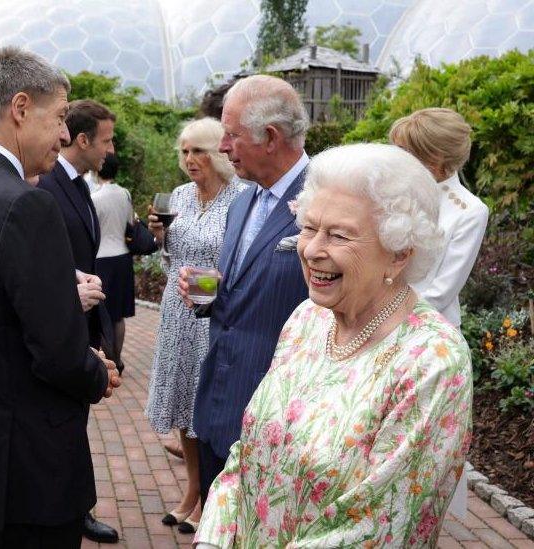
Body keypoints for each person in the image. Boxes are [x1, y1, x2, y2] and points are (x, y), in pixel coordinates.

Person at [193, 143, 472, 548]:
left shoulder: (433, 360)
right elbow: (247, 453)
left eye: (338, 235)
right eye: (308, 227)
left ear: (398, 254)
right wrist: (213, 540)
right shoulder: (307, 318)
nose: (311, 250)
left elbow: (379, 526)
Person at [0, 46, 121, 549]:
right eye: (57, 117)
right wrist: (98, 370)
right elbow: (56, 353)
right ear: (20, 107)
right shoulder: (23, 203)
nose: (61, 133)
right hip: (32, 464)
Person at [181, 75, 312, 506]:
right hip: (219, 404)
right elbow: (244, 292)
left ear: (270, 137)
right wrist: (209, 293)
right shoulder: (242, 201)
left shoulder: (325, 200)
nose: (222, 147)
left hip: (280, 419)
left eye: (232, 134)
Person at [144, 118, 245, 533]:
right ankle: (191, 492)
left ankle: (210, 497)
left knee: (208, 407)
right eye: (184, 151)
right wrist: (161, 238)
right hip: (177, 311)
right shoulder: (181, 196)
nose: (189, 160)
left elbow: (237, 263)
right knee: (184, 407)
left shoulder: (240, 197)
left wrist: (207, 286)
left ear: (219, 153)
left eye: (198, 150)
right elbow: (172, 259)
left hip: (214, 313)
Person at [36, 98, 120, 544]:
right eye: (105, 140)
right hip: (61, 322)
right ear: (82, 139)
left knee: (75, 424)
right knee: (62, 426)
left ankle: (75, 507)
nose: (109, 150)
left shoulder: (80, 185)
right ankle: (69, 510)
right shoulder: (46, 184)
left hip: (83, 320)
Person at [389, 108, 489, 328]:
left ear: (435, 157)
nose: (397, 158)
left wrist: (386, 319)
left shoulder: (470, 211)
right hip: (369, 321)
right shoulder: (391, 190)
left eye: (406, 151)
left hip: (426, 330)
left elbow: (442, 292)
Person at [90, 152, 138, 372]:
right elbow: (130, 223)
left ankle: (109, 362)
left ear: (99, 168)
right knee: (119, 315)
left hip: (102, 260)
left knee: (105, 314)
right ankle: (117, 360)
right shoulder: (125, 194)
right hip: (123, 257)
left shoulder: (94, 197)